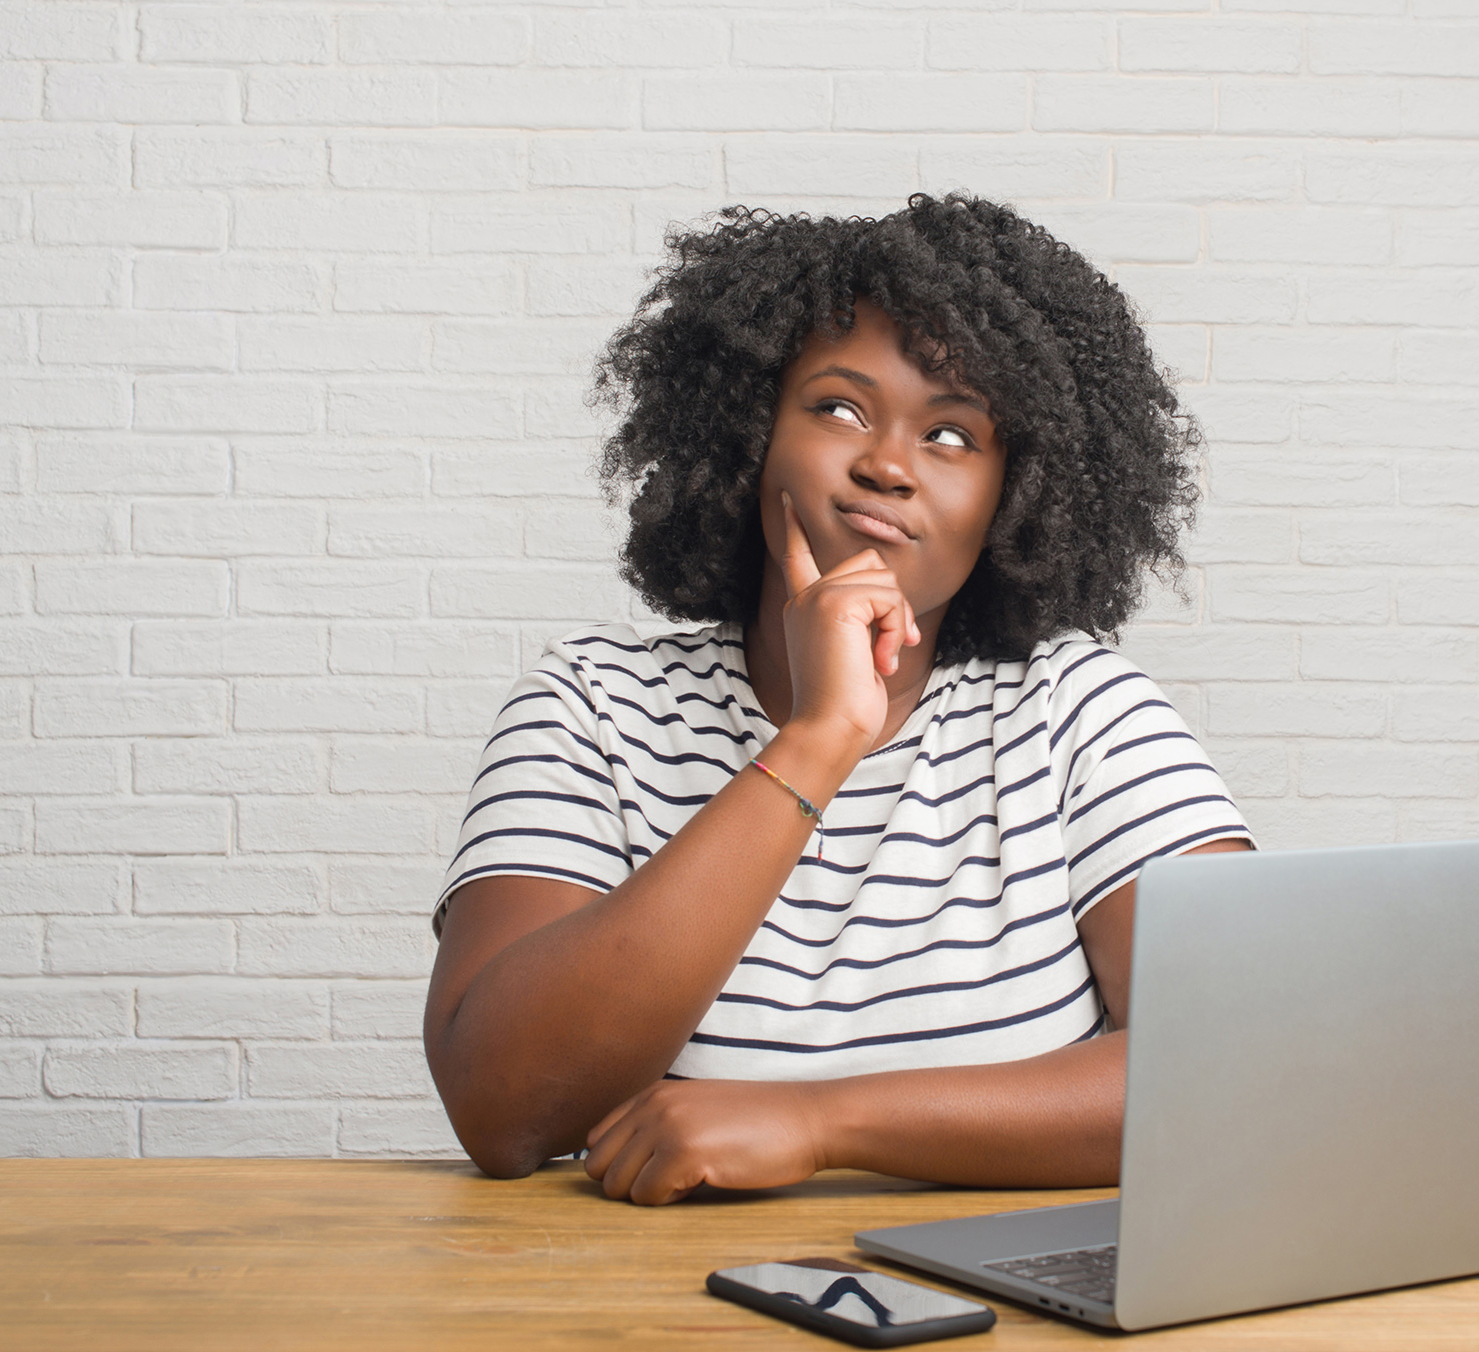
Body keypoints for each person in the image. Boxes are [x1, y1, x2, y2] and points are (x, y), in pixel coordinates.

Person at [423, 194, 1254, 1205]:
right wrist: (818, 739)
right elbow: (500, 1105)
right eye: (838, 408)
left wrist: (822, 1124)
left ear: (1013, 495)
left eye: (951, 434)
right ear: (747, 437)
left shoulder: (1078, 714)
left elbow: (1230, 1068)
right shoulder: (592, 705)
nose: (887, 464)